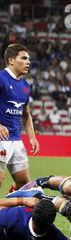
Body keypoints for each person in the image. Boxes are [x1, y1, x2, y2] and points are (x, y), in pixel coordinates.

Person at [0, 43, 39, 191]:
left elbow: (26, 115)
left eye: (28, 59)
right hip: (1, 139)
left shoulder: (25, 86)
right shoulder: (1, 78)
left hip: (16, 140)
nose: (28, 62)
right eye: (23, 58)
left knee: (23, 183)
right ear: (11, 60)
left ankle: (11, 200)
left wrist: (32, 137)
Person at [0, 191, 71, 240]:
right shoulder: (54, 236)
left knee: (37, 192)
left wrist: (22, 200)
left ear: (32, 211)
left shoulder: (12, 216)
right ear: (51, 222)